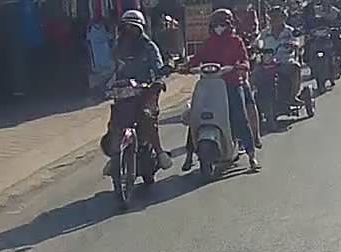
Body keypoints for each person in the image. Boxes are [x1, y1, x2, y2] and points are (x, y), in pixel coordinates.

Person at [185, 11, 260, 172]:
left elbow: (244, 59)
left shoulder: (236, 41)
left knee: (240, 117)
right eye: (216, 24)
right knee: (196, 116)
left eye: (223, 24)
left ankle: (251, 155)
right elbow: (197, 58)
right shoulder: (208, 43)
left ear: (230, 25)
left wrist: (241, 66)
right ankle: (189, 154)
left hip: (232, 84)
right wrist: (186, 66)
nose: (219, 27)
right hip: (208, 86)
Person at [108, 10, 172, 171]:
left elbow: (158, 68)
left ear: (140, 29)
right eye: (126, 27)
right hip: (124, 93)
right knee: (115, 122)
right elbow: (110, 69)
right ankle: (114, 156)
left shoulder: (149, 47)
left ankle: (159, 152)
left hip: (145, 91)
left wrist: (159, 80)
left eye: (133, 27)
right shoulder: (117, 47)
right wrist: (103, 85)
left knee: (147, 118)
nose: (129, 31)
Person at [265, 7, 304, 116]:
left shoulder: (290, 31)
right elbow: (258, 43)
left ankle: (292, 96)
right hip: (268, 63)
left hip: (285, 61)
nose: (274, 19)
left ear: (283, 18)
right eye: (272, 17)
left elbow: (298, 41)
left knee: (296, 67)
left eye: (277, 17)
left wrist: (293, 44)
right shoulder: (265, 33)